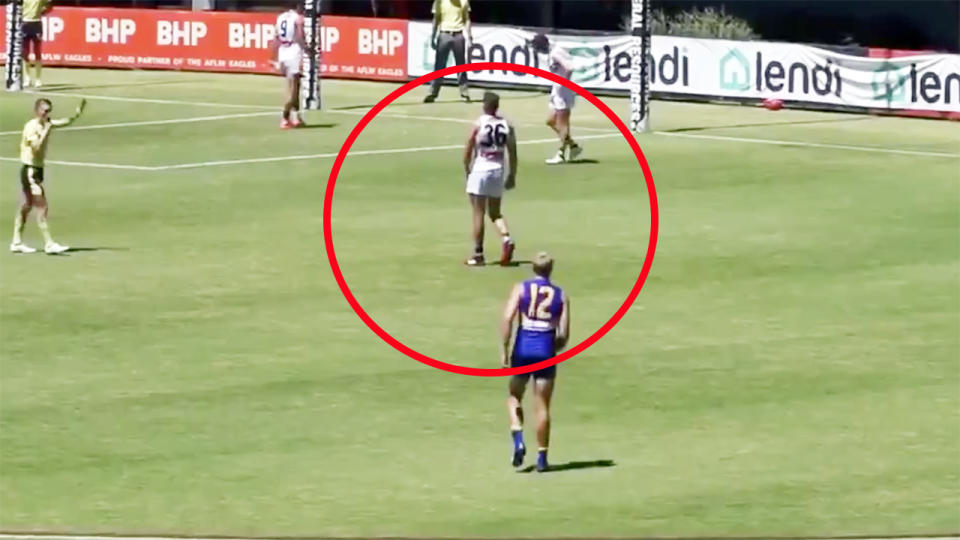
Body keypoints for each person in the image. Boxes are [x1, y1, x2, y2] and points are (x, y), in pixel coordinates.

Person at [500, 252, 571, 472]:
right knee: (542, 406)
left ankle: (518, 434)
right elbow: (564, 334)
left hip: (523, 348)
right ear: (551, 268)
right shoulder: (561, 295)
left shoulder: (521, 288)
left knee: (513, 396)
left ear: (532, 268)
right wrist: (552, 349)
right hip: (546, 350)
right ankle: (542, 458)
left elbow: (507, 318)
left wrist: (504, 350)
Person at [11, 98, 86, 255]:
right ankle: (49, 244)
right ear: (37, 110)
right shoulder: (31, 127)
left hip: (38, 170)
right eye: (45, 110)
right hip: (30, 170)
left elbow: (61, 122)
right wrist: (46, 130)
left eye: (49, 111)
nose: (47, 114)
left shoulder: (46, 123)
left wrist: (75, 116)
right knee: (41, 206)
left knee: (26, 205)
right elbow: (36, 148)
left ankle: (16, 242)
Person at [462, 91, 516, 267]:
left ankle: (478, 254)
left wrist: (466, 169)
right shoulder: (506, 125)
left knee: (478, 213)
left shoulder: (479, 123)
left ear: (485, 105)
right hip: (498, 169)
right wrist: (512, 175)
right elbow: (513, 152)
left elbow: (468, 148)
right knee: (495, 212)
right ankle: (506, 236)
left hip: (481, 169)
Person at [530, 33, 583, 165]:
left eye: (536, 47)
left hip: (563, 92)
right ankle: (573, 146)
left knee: (562, 124)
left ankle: (561, 153)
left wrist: (564, 83)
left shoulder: (555, 53)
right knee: (550, 121)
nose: (536, 50)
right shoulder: (553, 51)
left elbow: (569, 68)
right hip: (556, 92)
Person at [424, 0, 472, 103]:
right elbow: (436, 19)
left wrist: (469, 35)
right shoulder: (439, 1)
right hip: (444, 34)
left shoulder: (463, 1)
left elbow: (466, 19)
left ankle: (464, 93)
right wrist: (433, 36)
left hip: (458, 34)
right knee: (439, 66)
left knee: (461, 66)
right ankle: (432, 93)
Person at [270, 2, 307, 129]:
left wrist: (273, 57)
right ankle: (285, 117)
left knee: (294, 84)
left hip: (283, 51)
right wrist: (306, 48)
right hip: (293, 51)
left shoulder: (281, 17)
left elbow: (275, 37)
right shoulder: (298, 18)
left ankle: (296, 117)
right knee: (293, 88)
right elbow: (301, 35)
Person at [20, 0, 51, 88]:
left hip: (36, 23)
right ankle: (27, 78)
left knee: (37, 51)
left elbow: (49, 4)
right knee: (25, 52)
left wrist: (42, 11)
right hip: (25, 22)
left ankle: (38, 79)